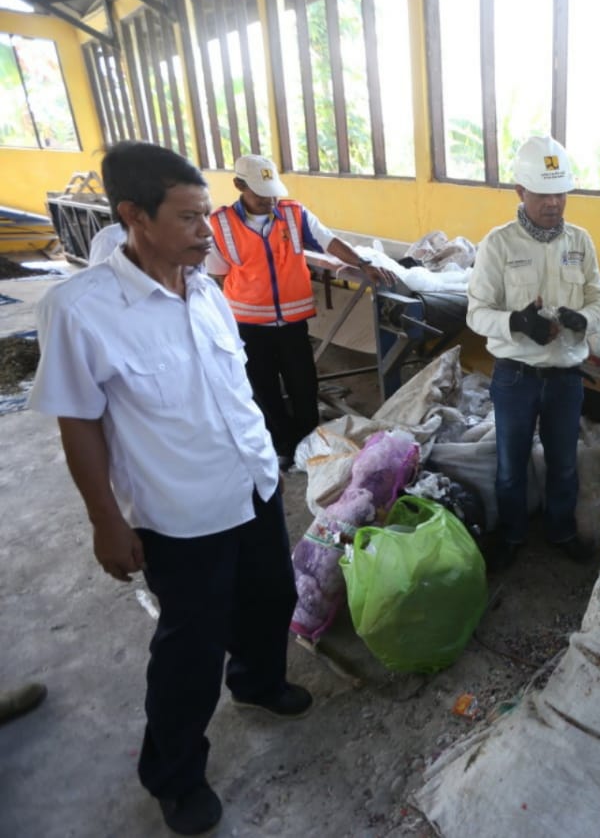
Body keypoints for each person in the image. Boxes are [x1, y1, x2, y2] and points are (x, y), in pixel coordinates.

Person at [29, 141, 311, 837]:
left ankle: (258, 681)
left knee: (271, 595)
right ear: (135, 216)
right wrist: (105, 521)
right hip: (182, 513)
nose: (206, 231)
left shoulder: (205, 286)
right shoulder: (81, 310)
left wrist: (268, 467)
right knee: (190, 648)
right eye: (189, 218)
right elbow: (80, 421)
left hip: (253, 484)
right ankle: (175, 776)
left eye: (207, 214)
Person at [466, 136, 600, 568]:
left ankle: (560, 530)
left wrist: (585, 319)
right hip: (515, 376)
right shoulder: (499, 245)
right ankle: (511, 536)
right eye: (544, 193)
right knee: (510, 465)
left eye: (561, 192)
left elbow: (599, 297)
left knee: (565, 464)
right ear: (520, 192)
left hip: (565, 377)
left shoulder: (581, 243)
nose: (554, 203)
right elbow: (475, 313)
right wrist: (516, 322)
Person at [205, 154, 395, 469]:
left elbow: (328, 241)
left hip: (292, 322)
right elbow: (220, 274)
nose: (270, 200)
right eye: (260, 194)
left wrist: (363, 264)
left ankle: (307, 445)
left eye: (272, 192)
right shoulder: (220, 224)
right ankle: (282, 447)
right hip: (249, 324)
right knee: (263, 387)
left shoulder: (294, 214)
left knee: (303, 384)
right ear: (239, 185)